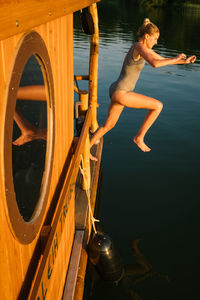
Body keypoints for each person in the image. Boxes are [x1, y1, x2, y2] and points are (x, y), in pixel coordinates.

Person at [90, 18, 196, 160]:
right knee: (158, 106)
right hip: (122, 92)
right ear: (147, 36)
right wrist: (176, 59)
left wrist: (183, 61)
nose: (156, 42)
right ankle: (139, 137)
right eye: (155, 39)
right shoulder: (139, 47)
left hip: (117, 89)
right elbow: (155, 63)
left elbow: (160, 58)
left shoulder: (142, 48)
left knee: (107, 126)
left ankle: (85, 150)